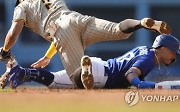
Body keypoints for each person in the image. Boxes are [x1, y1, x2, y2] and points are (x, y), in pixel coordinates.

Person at [0, 0, 171, 89]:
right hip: (78, 19)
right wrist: (47, 56)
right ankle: (141, 23)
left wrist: (5, 49)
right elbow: (61, 25)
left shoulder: (22, 6)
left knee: (77, 79)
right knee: (119, 30)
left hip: (62, 31)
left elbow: (14, 32)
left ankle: (84, 68)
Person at [1, 34, 179, 89]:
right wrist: (140, 85)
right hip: (103, 75)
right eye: (173, 51)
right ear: (162, 47)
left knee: (54, 80)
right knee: (56, 82)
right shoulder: (150, 59)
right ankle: (86, 73)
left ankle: (20, 71)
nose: (175, 56)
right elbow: (130, 73)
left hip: (98, 65)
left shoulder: (144, 49)